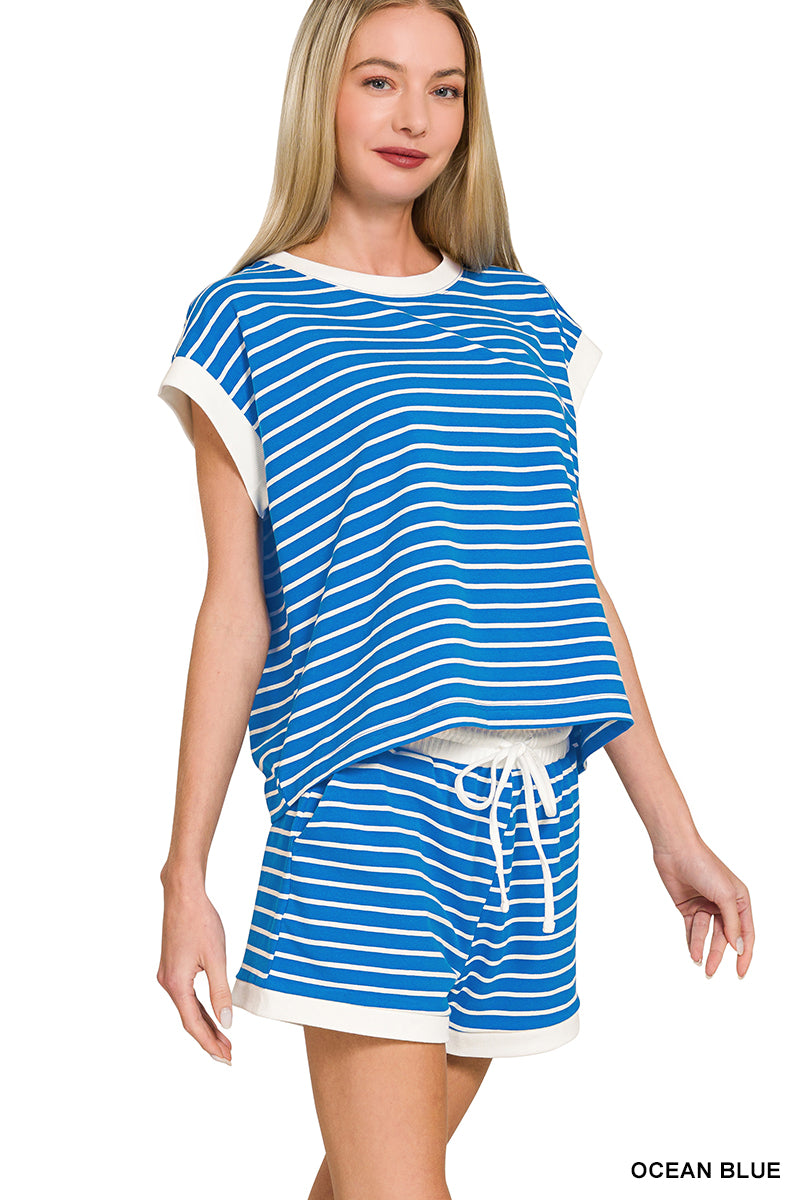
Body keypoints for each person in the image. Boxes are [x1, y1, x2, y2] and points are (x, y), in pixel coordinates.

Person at [156, 2, 755, 1197]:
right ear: (322, 93)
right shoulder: (248, 318)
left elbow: (570, 584)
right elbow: (234, 610)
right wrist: (185, 878)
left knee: (369, 1181)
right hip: (367, 806)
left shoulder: (524, 317)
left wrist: (670, 827)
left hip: (531, 828)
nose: (413, 117)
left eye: (444, 89)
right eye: (379, 80)